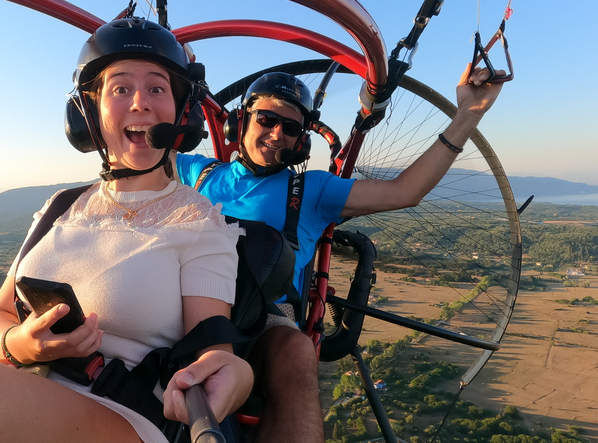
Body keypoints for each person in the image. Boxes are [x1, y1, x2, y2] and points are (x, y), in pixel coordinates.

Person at [0, 17, 253, 443]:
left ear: (182, 112)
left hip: (120, 414)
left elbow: (212, 350)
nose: (140, 102)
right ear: (90, 112)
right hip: (13, 383)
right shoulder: (61, 205)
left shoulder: (200, 221)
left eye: (157, 88)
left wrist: (235, 374)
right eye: (121, 88)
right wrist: (21, 343)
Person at [173, 65, 505, 443]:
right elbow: (130, 165)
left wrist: (469, 115)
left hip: (264, 314)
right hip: (183, 298)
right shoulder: (193, 172)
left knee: (297, 350)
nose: (277, 133)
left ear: (301, 141)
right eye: (266, 118)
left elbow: (404, 192)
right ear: (241, 122)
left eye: (292, 127)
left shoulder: (312, 190)